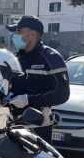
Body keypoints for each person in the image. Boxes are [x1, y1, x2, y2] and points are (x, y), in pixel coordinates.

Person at [5, 15, 70, 143]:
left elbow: (62, 94)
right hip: (14, 123)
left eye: (18, 31)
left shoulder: (51, 57)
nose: (14, 35)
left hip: (38, 127)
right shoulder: (17, 57)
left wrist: (29, 100)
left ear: (32, 34)